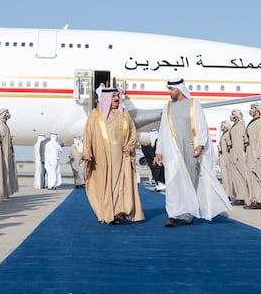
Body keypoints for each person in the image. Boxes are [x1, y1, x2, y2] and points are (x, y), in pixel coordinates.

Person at [154, 78, 231, 227]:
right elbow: (163, 130)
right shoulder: (167, 107)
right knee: (173, 181)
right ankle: (173, 215)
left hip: (190, 150)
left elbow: (202, 125)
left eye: (171, 89)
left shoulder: (193, 104)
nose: (169, 92)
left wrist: (200, 145)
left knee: (189, 182)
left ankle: (188, 214)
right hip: (173, 151)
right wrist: (159, 151)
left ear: (179, 89)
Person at [82, 88, 144, 224]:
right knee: (103, 184)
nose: (117, 99)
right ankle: (105, 212)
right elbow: (88, 134)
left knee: (119, 183)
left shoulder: (124, 114)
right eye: (114, 96)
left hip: (121, 157)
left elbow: (133, 133)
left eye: (117, 96)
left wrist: (130, 146)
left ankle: (116, 212)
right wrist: (86, 150)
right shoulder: (95, 115)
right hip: (102, 157)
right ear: (106, 98)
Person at [243, 102, 261, 210]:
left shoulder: (260, 123)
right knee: (252, 178)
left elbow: (260, 140)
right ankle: (255, 199)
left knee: (258, 177)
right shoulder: (253, 122)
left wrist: (256, 155)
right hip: (250, 152)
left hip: (256, 153)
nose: (251, 110)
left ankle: (260, 200)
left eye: (252, 108)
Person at [227, 109, 249, 206]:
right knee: (236, 177)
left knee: (241, 176)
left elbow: (239, 142)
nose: (231, 116)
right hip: (234, 154)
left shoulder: (240, 126)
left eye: (233, 114)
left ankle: (243, 197)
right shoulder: (234, 126)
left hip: (238, 154)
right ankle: (239, 196)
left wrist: (237, 155)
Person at [0, 109, 17, 197]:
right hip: (3, 153)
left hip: (8, 152)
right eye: (6, 114)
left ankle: (7, 191)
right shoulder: (0, 125)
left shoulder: (5, 125)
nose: (7, 116)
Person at [217, 121, 233, 198]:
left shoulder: (227, 135)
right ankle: (227, 193)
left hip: (226, 157)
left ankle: (228, 194)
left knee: (227, 177)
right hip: (222, 156)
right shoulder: (223, 135)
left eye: (222, 125)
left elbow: (230, 146)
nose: (221, 127)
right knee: (224, 177)